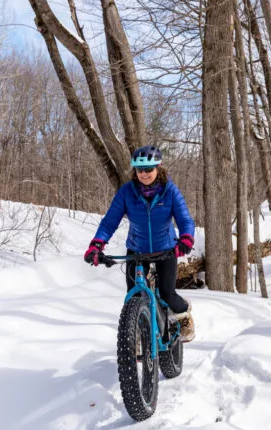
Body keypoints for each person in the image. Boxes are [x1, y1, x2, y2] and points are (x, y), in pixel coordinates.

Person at [84, 145, 196, 342]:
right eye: (139, 170)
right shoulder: (127, 192)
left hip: (166, 250)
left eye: (149, 169)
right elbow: (110, 221)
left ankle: (184, 313)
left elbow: (185, 220)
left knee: (167, 293)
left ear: (158, 168)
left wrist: (186, 238)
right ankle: (137, 337)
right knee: (134, 297)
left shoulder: (169, 191)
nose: (144, 174)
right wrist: (97, 245)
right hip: (137, 250)